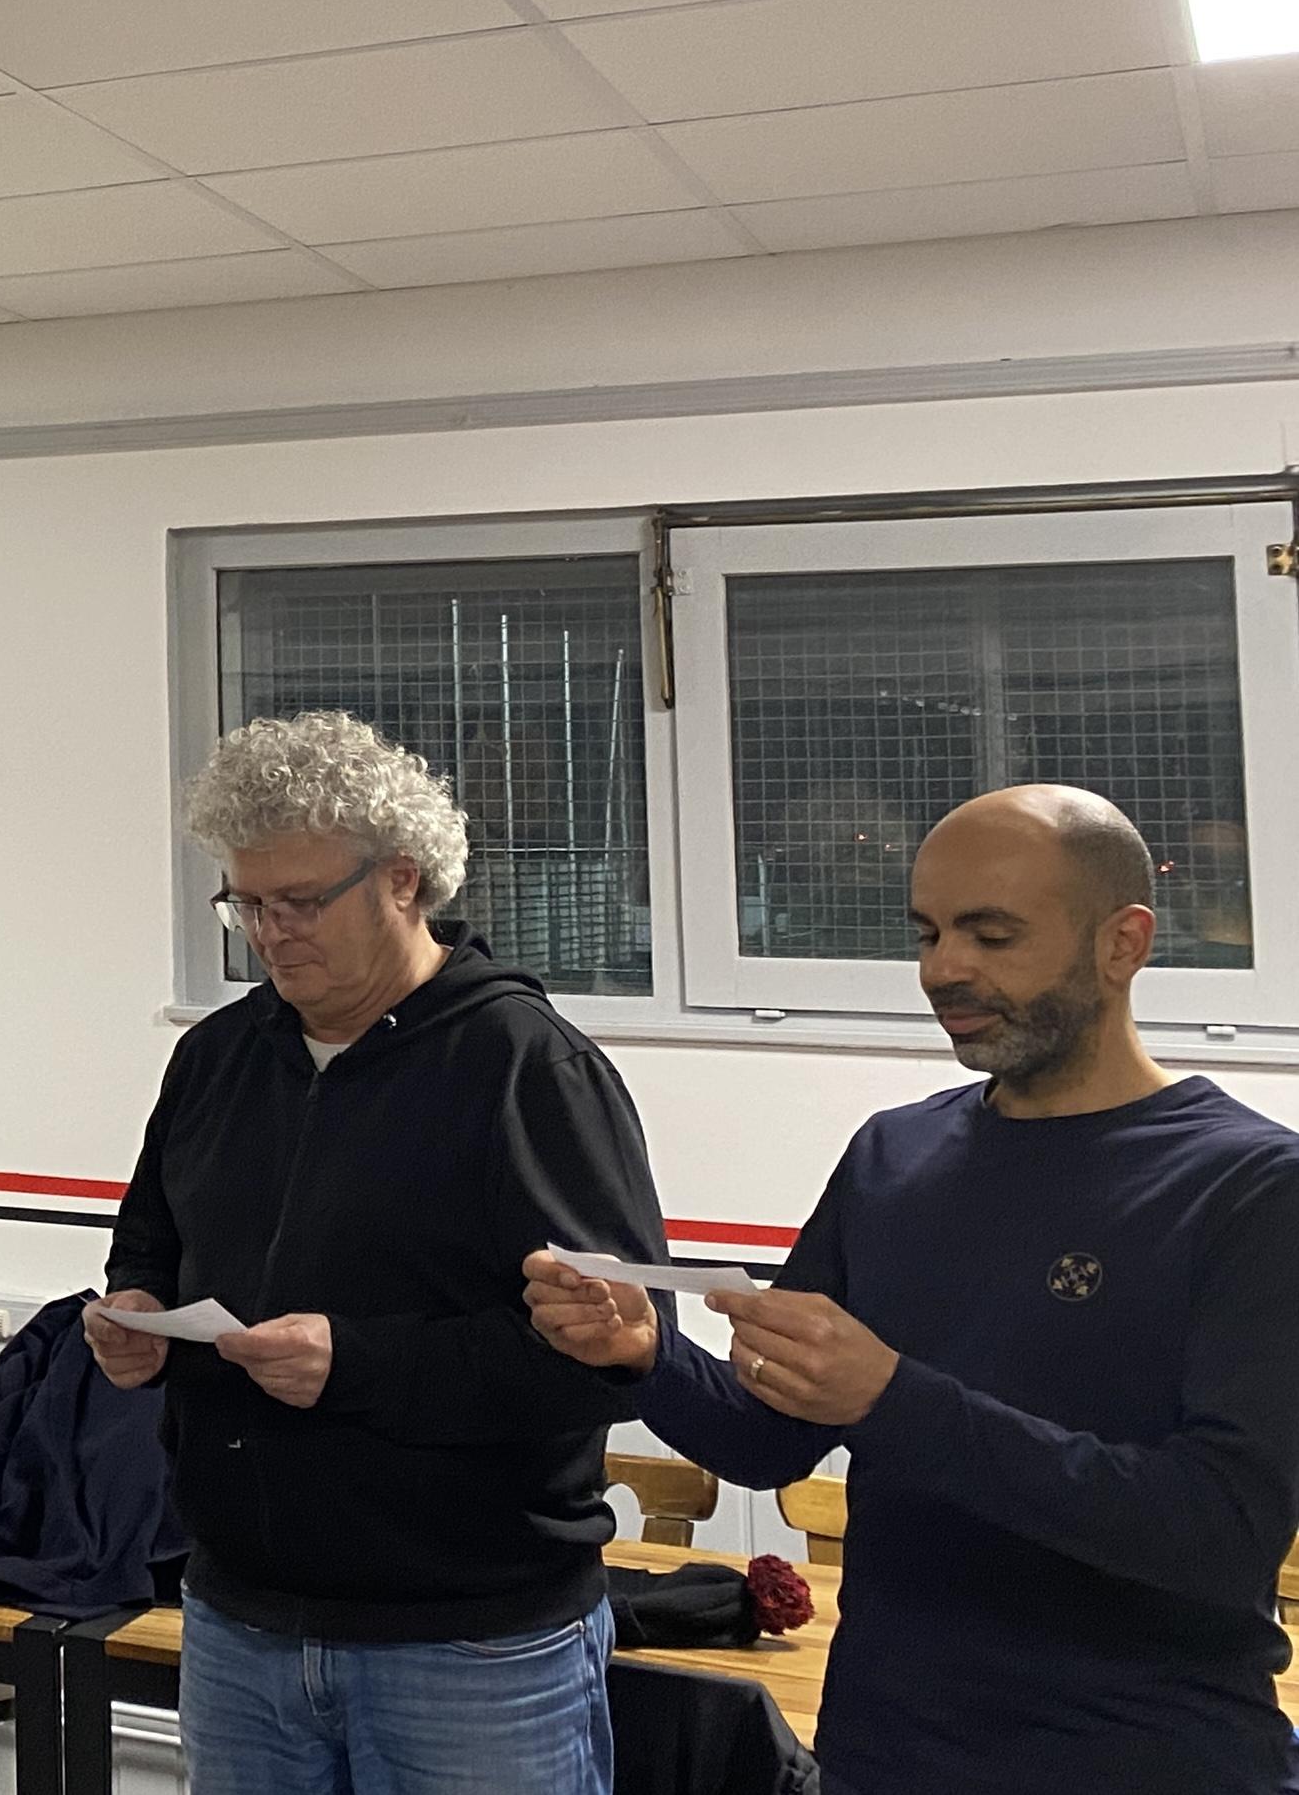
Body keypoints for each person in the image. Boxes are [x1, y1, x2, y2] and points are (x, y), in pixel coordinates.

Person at [525, 785, 1299, 1795]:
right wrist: (644, 1354)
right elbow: (767, 1441)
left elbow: (1218, 1531)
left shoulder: (1248, 1187)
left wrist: (892, 1398)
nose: (944, 968)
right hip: (884, 1754)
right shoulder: (894, 1155)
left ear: (1123, 942)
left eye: (991, 934)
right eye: (927, 933)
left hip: (1146, 1761)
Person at [88, 711, 668, 1795]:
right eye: (246, 903)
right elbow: (151, 1239)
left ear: (403, 880)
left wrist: (355, 1363)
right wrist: (137, 1313)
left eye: (300, 900)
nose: (269, 932)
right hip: (238, 1618)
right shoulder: (216, 1058)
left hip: (469, 1640)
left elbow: (608, 1360)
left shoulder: (526, 1069)